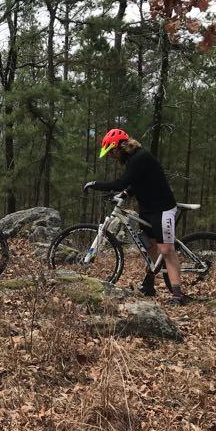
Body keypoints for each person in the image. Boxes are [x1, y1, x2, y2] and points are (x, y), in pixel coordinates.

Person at [84, 128, 189, 305]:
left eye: (111, 153)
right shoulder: (133, 159)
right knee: (150, 247)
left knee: (166, 251)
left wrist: (95, 184)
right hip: (147, 209)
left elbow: (121, 183)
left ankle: (177, 295)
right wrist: (123, 195)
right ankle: (149, 285)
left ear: (118, 148)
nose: (112, 157)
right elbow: (137, 182)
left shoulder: (140, 158)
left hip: (162, 209)